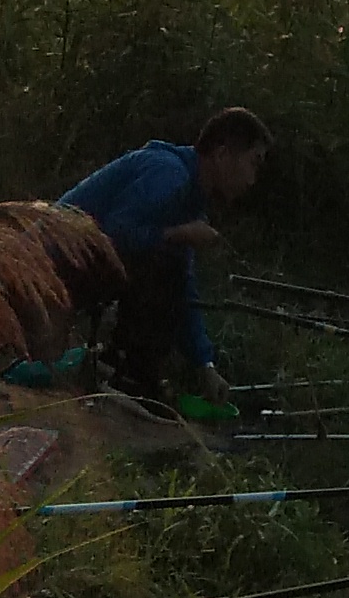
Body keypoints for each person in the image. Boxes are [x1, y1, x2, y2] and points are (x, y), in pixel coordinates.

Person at [55, 105, 268, 410]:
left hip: (75, 264)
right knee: (163, 263)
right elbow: (110, 233)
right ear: (222, 155)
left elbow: (184, 287)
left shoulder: (191, 199)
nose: (253, 179)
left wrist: (204, 365)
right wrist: (178, 234)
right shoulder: (168, 174)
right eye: (253, 163)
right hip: (48, 262)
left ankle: (126, 369)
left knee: (173, 269)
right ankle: (127, 374)